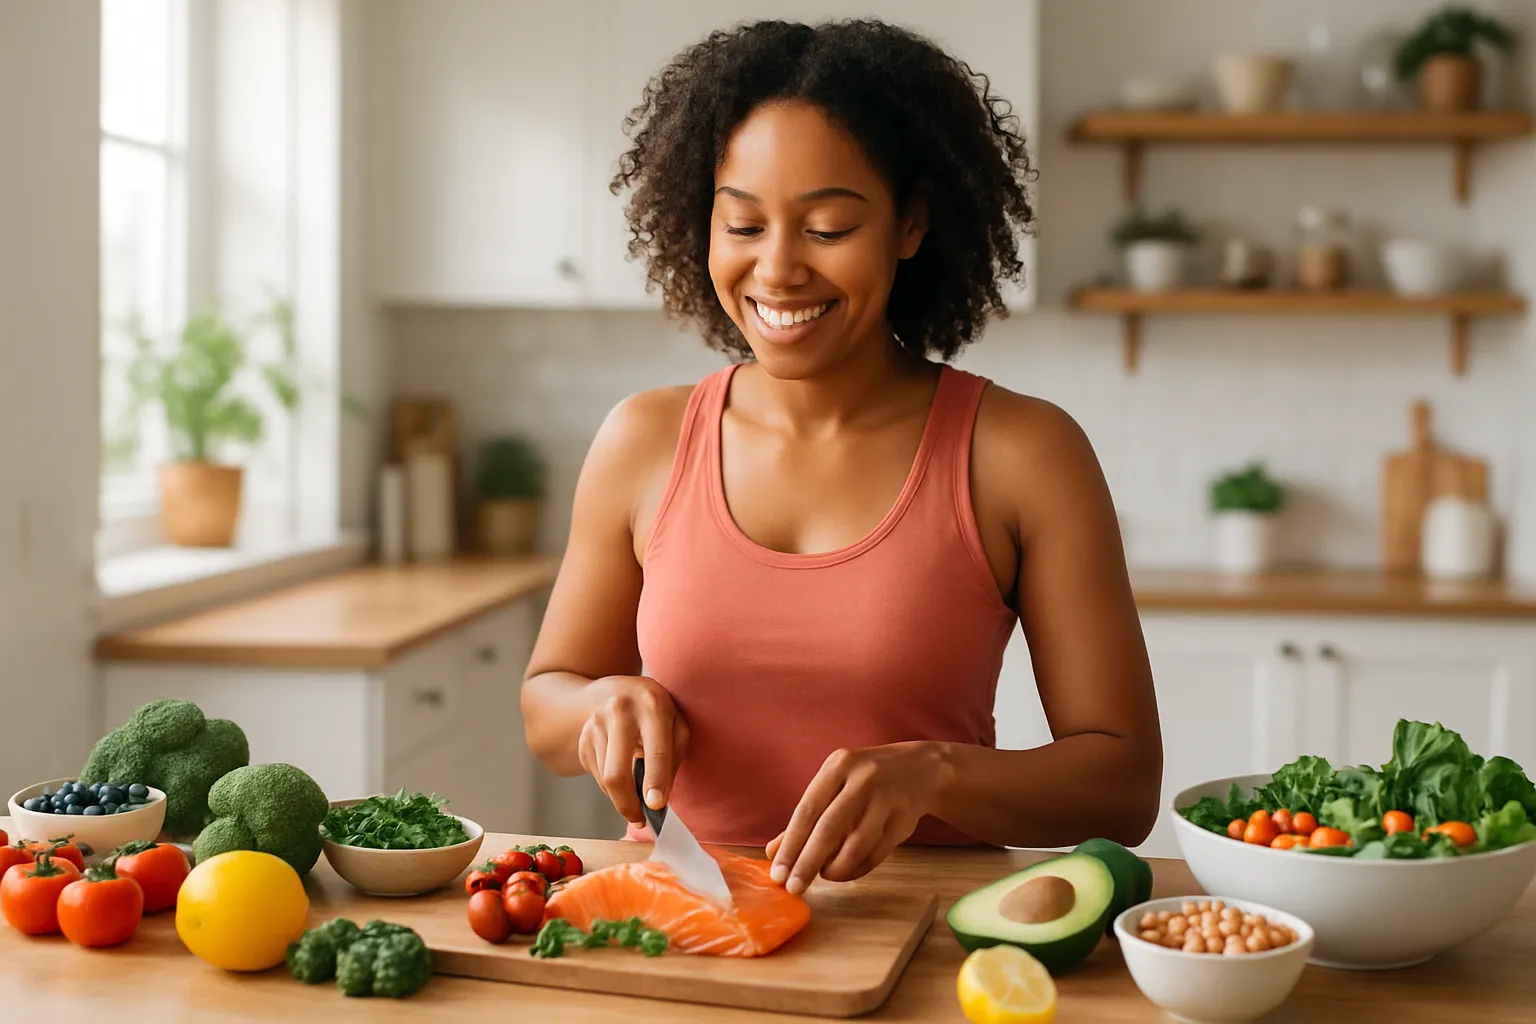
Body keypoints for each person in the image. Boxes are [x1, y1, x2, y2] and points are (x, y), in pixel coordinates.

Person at [521, 18, 1162, 897]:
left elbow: (1123, 787)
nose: (777, 269)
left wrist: (937, 774)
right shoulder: (643, 441)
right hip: (680, 927)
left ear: (912, 223)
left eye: (826, 228)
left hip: (929, 939)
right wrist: (598, 706)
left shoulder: (1023, 454)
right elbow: (547, 699)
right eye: (742, 222)